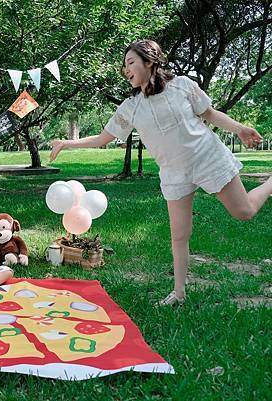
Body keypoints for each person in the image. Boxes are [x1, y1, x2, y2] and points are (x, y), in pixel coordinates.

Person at [50, 39, 272, 306]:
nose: (126, 69)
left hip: (207, 157)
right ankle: (179, 293)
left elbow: (210, 114)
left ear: (150, 61)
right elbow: (101, 139)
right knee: (179, 234)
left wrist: (239, 128)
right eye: (124, 65)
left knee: (244, 212)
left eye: (131, 62)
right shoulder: (131, 107)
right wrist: (66, 143)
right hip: (174, 172)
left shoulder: (182, 86)